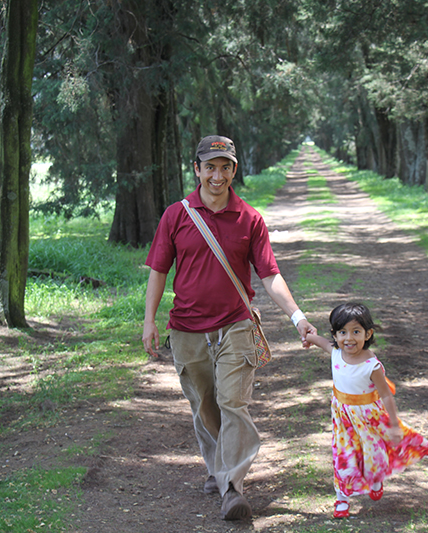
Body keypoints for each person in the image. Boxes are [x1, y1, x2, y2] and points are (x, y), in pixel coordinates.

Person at [143, 135, 317, 521]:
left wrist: (297, 317)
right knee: (204, 404)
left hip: (236, 325)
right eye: (210, 167)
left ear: (234, 170)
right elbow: (158, 270)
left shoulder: (249, 218)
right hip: (187, 329)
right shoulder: (176, 215)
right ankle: (218, 467)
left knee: (233, 403)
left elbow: (269, 275)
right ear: (197, 169)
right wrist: (149, 320)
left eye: (225, 167)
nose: (217, 175)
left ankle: (233, 486)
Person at [305, 302, 428, 519]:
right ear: (335, 335)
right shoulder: (335, 352)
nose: (349, 338)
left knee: (373, 455)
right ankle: (342, 498)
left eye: (356, 332)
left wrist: (394, 425)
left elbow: (386, 395)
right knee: (343, 457)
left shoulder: (371, 365)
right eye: (342, 332)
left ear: (368, 334)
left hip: (368, 418)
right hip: (343, 419)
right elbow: (319, 341)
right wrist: (308, 336)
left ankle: (376, 479)